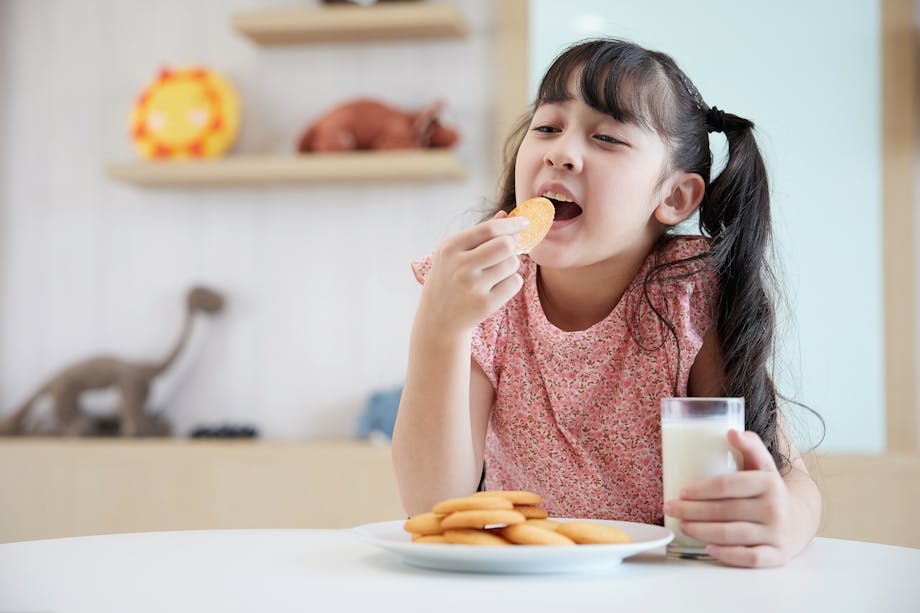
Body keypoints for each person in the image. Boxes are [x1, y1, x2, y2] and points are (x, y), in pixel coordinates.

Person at [391, 38, 821, 568]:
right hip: (522, 586)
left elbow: (790, 480)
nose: (561, 151)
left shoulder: (687, 294)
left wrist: (787, 520)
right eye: (547, 127)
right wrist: (439, 328)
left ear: (674, 197)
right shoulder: (489, 296)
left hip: (668, 586)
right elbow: (435, 506)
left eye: (607, 137)